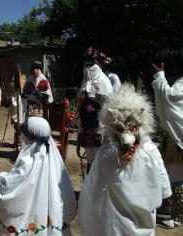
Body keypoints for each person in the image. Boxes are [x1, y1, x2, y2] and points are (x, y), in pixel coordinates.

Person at [78, 84, 171, 236]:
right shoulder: (150, 151)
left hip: (112, 226)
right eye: (120, 127)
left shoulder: (105, 153)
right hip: (136, 224)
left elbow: (90, 191)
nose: (127, 133)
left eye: (131, 126)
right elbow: (165, 190)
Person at [0, 116, 77, 236]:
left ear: (28, 136)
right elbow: (68, 197)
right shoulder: (55, 160)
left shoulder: (28, 161)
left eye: (23, 132)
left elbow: (10, 191)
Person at [151, 47, 183, 229]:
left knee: (178, 176)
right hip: (173, 137)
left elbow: (170, 97)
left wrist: (160, 76)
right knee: (171, 174)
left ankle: (178, 216)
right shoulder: (178, 82)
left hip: (179, 138)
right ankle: (169, 208)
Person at [77, 47, 113, 171]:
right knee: (90, 162)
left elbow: (107, 109)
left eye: (91, 63)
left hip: (98, 131)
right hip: (86, 127)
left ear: (97, 63)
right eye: (86, 63)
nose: (88, 66)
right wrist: (81, 129)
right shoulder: (84, 81)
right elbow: (81, 107)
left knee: (99, 165)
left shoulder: (104, 82)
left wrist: (100, 132)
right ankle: (88, 188)